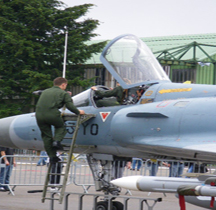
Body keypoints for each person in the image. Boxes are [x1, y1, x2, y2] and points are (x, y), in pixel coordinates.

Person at [35, 77, 85, 164]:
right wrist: (78, 112)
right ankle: (56, 142)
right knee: (61, 127)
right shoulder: (63, 93)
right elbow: (70, 106)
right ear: (63, 84)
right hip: (52, 114)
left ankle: (52, 157)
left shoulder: (45, 91)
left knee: (46, 136)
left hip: (38, 115)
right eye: (66, 85)